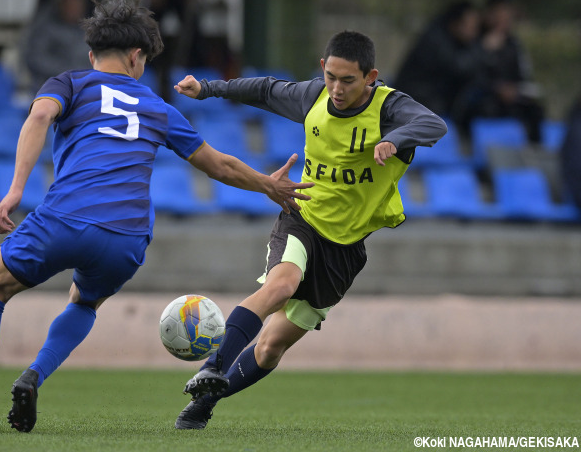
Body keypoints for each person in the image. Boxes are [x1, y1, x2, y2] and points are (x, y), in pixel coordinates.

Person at [0, 0, 312, 433]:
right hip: (126, 238)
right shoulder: (158, 107)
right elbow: (218, 164)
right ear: (138, 57)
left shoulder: (72, 83)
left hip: (65, 217)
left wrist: (15, 190)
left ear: (92, 52)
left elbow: (40, 114)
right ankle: (34, 375)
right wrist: (268, 184)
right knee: (86, 301)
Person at [172, 30, 448, 429]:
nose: (336, 88)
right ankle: (213, 366)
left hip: (346, 247)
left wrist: (395, 139)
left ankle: (207, 400)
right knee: (281, 285)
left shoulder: (390, 108)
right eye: (331, 76)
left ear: (371, 76)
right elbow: (265, 90)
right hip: (301, 216)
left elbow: (433, 124)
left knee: (269, 348)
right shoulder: (314, 96)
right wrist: (209, 88)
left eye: (348, 80)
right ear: (323, 68)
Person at [393, 0, 482, 124]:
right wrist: (484, 49)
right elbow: (458, 67)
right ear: (456, 24)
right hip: (415, 99)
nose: (475, 32)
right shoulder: (435, 39)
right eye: (471, 26)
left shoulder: (459, 42)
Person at [472, 0, 544, 144]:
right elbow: (471, 74)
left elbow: (523, 76)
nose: (504, 18)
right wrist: (484, 51)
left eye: (507, 14)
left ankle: (534, 153)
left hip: (512, 97)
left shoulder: (513, 44)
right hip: (485, 97)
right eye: (500, 13)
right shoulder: (477, 41)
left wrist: (515, 89)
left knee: (534, 110)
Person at [21, 0, 92, 93]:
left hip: (84, 90)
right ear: (60, 4)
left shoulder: (90, 30)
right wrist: (69, 72)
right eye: (69, 3)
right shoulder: (44, 29)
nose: (74, 8)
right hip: (52, 89)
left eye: (77, 3)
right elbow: (35, 58)